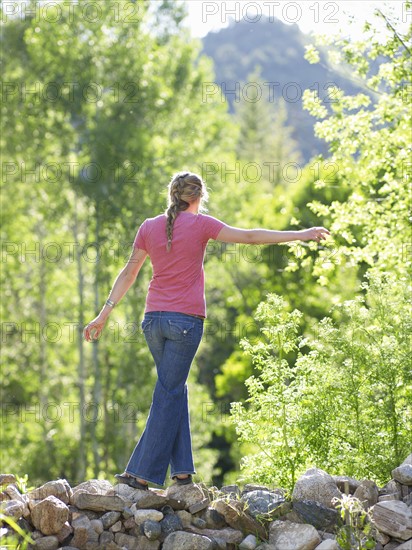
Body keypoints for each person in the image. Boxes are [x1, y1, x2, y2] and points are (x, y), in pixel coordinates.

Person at [83, 171, 330, 490]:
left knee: (173, 389)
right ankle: (140, 473)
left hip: (153, 322)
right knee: (169, 391)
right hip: (184, 323)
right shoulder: (201, 224)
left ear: (172, 195)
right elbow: (251, 237)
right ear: (198, 197)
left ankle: (182, 472)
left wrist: (104, 313)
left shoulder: (149, 226)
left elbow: (129, 273)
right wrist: (301, 233)